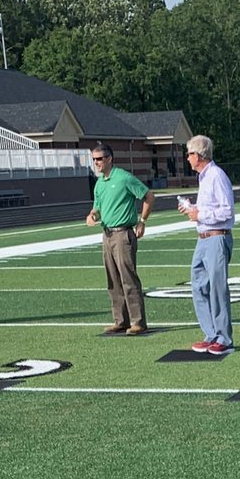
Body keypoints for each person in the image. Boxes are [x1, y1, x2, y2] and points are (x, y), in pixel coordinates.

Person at [86, 143, 154, 335]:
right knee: (113, 279)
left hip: (123, 234)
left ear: (109, 159)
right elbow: (97, 207)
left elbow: (148, 196)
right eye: (94, 160)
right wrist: (93, 215)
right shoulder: (100, 183)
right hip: (107, 234)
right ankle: (120, 320)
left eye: (99, 159)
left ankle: (138, 321)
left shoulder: (123, 178)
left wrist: (142, 221)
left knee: (128, 278)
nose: (96, 163)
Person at [182, 135, 235, 355]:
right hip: (203, 238)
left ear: (199, 155)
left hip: (216, 237)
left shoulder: (216, 175)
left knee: (217, 288)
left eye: (189, 154)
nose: (187, 158)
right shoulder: (204, 178)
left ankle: (223, 337)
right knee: (198, 285)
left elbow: (227, 210)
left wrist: (200, 213)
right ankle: (211, 333)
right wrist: (193, 209)